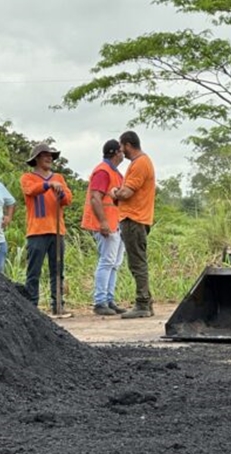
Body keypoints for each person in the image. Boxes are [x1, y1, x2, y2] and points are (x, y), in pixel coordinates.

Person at [19, 142, 74, 316]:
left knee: (57, 270)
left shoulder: (59, 178)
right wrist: (47, 186)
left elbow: (68, 199)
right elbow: (30, 190)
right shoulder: (27, 177)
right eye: (45, 155)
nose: (49, 158)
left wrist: (61, 193)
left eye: (51, 156)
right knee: (34, 270)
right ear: (37, 159)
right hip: (36, 231)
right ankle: (31, 306)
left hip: (57, 230)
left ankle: (58, 304)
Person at [110, 131, 156, 319]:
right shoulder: (141, 162)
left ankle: (142, 303)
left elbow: (126, 193)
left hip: (134, 218)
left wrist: (114, 192)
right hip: (137, 218)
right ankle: (146, 301)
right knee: (137, 261)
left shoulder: (139, 164)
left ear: (128, 145)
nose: (120, 151)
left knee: (137, 263)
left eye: (121, 146)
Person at [82, 139, 127, 316]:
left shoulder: (115, 172)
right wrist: (103, 222)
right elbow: (95, 198)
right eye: (121, 151)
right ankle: (100, 301)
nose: (123, 153)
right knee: (107, 261)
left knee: (114, 263)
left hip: (115, 223)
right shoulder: (103, 171)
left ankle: (109, 299)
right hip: (106, 224)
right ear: (115, 153)